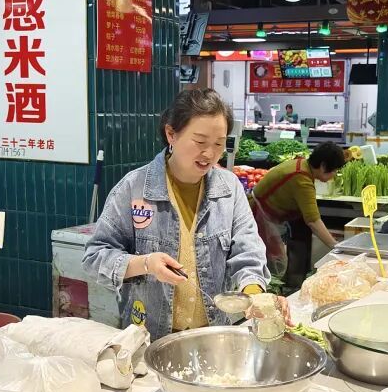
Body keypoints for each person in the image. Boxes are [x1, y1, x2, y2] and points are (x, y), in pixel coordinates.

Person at [83, 89, 281, 339]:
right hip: (148, 337)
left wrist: (253, 294)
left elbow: (248, 250)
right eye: (199, 142)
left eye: (219, 144)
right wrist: (145, 264)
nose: (209, 154)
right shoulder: (134, 188)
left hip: (213, 335)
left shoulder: (229, 189)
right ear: (171, 134)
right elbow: (94, 257)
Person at [251, 142, 347, 290]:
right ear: (322, 166)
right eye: (333, 171)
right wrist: (336, 246)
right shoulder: (301, 179)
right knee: (271, 265)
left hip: (266, 212)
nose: (334, 175)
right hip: (260, 216)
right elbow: (313, 220)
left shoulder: (301, 164)